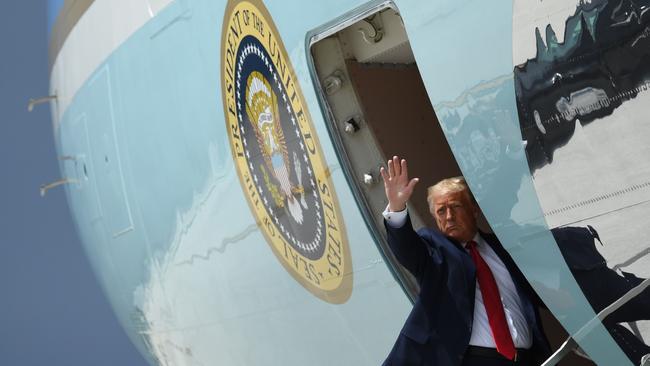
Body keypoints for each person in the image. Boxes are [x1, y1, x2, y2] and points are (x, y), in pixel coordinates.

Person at [380, 156, 550, 366]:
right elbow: (406, 249)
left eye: (456, 207)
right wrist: (397, 208)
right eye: (441, 211)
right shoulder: (434, 250)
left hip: (527, 359)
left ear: (474, 209)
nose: (449, 216)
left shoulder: (503, 247)